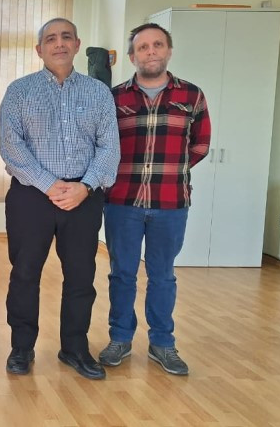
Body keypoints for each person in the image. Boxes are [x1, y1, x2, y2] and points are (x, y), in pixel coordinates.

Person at [0, 17, 120, 380]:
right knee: (24, 274)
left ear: (77, 44)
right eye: (51, 39)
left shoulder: (98, 93)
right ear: (40, 49)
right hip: (31, 197)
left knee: (81, 276)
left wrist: (85, 186)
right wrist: (49, 184)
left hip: (84, 197)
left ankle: (74, 348)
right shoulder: (20, 91)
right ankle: (22, 347)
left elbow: (109, 147)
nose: (59, 43)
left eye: (66, 36)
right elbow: (11, 146)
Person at [98, 23, 211, 376]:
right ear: (132, 56)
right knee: (122, 274)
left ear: (168, 51)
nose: (150, 51)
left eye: (157, 45)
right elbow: (102, 145)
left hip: (171, 202)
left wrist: (171, 170)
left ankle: (162, 343)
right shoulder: (114, 98)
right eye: (143, 47)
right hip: (122, 201)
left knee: (163, 276)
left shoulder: (191, 95)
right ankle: (120, 339)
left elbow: (201, 144)